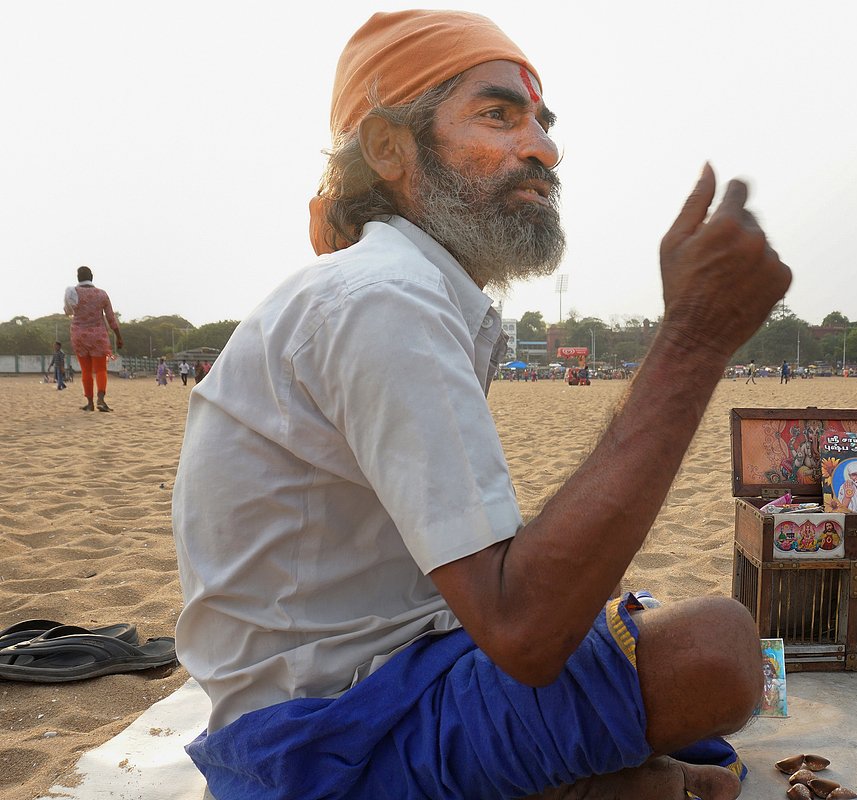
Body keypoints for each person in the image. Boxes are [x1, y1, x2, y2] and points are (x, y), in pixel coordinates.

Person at [172, 11, 790, 800]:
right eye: (498, 116)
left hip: (397, 674)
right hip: (315, 741)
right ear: (390, 149)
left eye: (539, 122)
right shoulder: (380, 297)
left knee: (648, 630)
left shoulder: (412, 291)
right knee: (716, 648)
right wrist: (694, 343)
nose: (541, 148)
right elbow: (523, 631)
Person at [63, 266, 122, 412]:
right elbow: (110, 318)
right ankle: (101, 398)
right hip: (98, 336)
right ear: (92, 277)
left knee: (86, 371)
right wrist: (119, 337)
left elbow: (67, 311)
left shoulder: (72, 293)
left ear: (78, 277)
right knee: (101, 369)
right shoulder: (101, 294)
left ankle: (89, 403)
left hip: (79, 335)